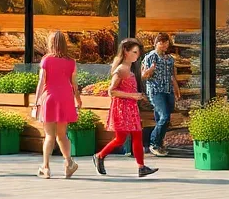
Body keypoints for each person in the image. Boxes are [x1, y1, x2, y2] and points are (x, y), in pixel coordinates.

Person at [93, 39, 158, 178]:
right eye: (134, 52)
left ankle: (141, 167)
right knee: (121, 139)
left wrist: (137, 96)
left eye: (138, 52)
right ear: (125, 51)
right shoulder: (121, 69)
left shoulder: (129, 68)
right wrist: (133, 95)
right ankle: (99, 156)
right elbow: (112, 91)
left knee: (136, 135)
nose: (137, 55)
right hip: (122, 107)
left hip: (130, 107)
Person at [32, 30, 82, 179]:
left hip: (49, 98)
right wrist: (78, 99)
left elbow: (42, 82)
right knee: (62, 135)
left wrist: (36, 101)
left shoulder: (46, 60)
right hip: (65, 98)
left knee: (49, 135)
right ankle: (68, 164)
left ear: (50, 44)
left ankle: (46, 167)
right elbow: (74, 85)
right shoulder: (71, 62)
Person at [141, 32, 181, 157]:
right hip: (156, 91)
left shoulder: (169, 59)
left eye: (166, 43)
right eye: (161, 42)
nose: (164, 45)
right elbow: (144, 75)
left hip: (168, 90)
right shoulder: (151, 57)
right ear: (156, 43)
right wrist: (151, 69)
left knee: (163, 119)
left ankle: (159, 143)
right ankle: (153, 143)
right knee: (164, 116)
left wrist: (176, 90)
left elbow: (172, 76)